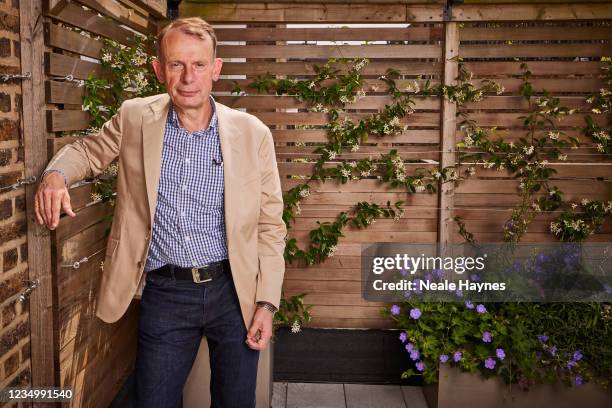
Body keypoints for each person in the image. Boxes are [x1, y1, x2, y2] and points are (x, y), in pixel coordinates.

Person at [34, 17, 287, 408]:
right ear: (158, 70)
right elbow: (87, 151)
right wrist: (55, 175)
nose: (188, 77)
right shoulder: (136, 117)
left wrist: (266, 304)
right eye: (176, 64)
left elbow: (271, 226)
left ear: (216, 69)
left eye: (199, 64)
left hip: (234, 291)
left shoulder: (253, 134)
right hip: (167, 293)